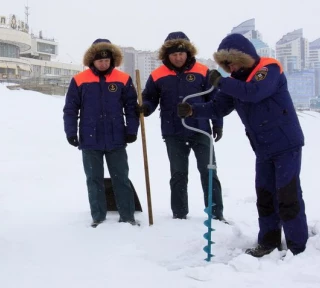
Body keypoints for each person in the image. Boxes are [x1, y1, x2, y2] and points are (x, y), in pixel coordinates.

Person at [177, 33, 309, 257]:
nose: (230, 67)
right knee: (265, 197)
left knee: (287, 196)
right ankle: (268, 242)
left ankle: (298, 247)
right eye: (226, 64)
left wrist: (222, 82)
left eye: (233, 62)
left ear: (246, 57)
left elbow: (255, 93)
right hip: (263, 148)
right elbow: (218, 107)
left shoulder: (269, 69)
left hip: (286, 144)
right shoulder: (235, 83)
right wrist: (193, 110)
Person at [138, 31, 225, 221]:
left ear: (188, 53)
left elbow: (215, 100)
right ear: (167, 55)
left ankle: (216, 213)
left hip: (200, 129)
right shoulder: (158, 74)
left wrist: (217, 124)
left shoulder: (203, 72)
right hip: (173, 131)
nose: (178, 57)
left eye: (181, 53)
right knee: (178, 174)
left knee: (209, 172)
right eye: (174, 54)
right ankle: (179, 214)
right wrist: (146, 107)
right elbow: (150, 97)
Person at [63, 39, 139, 227]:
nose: (104, 63)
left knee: (121, 178)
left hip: (117, 138)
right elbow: (70, 109)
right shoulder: (80, 80)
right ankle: (98, 216)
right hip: (90, 139)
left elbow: (131, 108)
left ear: (112, 59)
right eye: (100, 60)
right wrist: (71, 132)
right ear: (92, 60)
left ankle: (127, 215)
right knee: (94, 179)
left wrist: (131, 130)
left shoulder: (123, 79)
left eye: (107, 60)